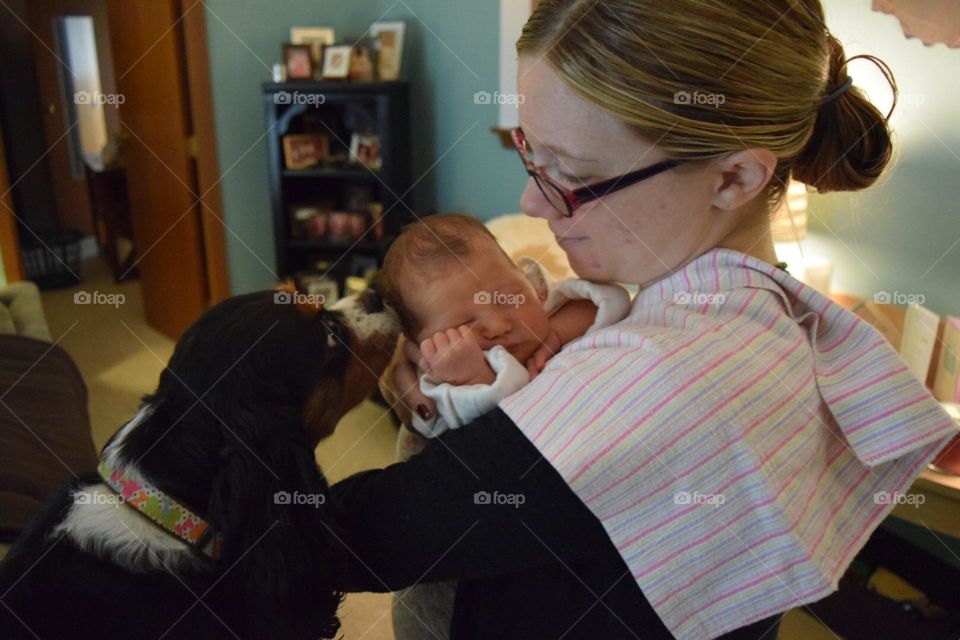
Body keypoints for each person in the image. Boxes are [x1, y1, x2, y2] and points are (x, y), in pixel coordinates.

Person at [326, 1, 958, 639]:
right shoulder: (760, 314)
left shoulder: (658, 374)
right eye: (530, 154)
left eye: (572, 176)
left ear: (734, 176)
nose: (530, 201)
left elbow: (348, 538)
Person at [378, 212, 630, 446]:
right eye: (464, 324)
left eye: (507, 298)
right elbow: (486, 442)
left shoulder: (545, 303)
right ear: (422, 344)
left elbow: (613, 299)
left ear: (528, 282)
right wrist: (473, 380)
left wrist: (556, 331)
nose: (497, 326)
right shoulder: (437, 382)